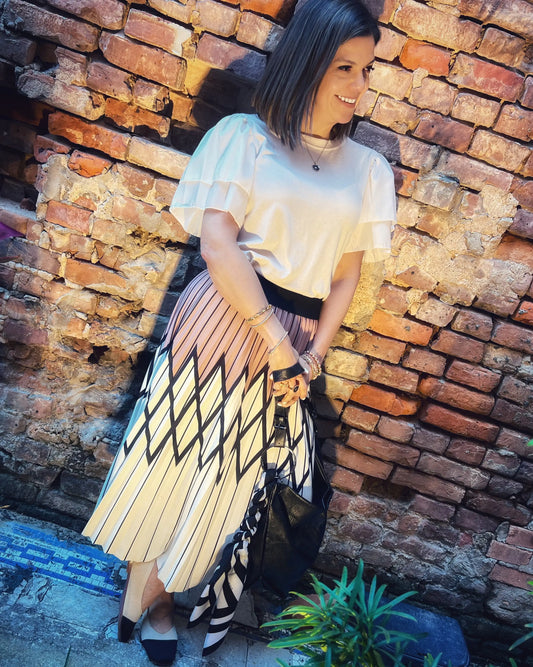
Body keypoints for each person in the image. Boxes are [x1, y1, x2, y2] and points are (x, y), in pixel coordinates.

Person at [82, 0, 396, 664]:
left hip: (295, 339)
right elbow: (218, 243)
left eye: (367, 69)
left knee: (231, 482)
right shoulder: (243, 137)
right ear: (307, 61)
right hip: (222, 318)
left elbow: (346, 273)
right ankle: (150, 603)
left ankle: (171, 594)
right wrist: (279, 344)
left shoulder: (369, 170)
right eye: (343, 66)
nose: (358, 85)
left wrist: (313, 353)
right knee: (172, 459)